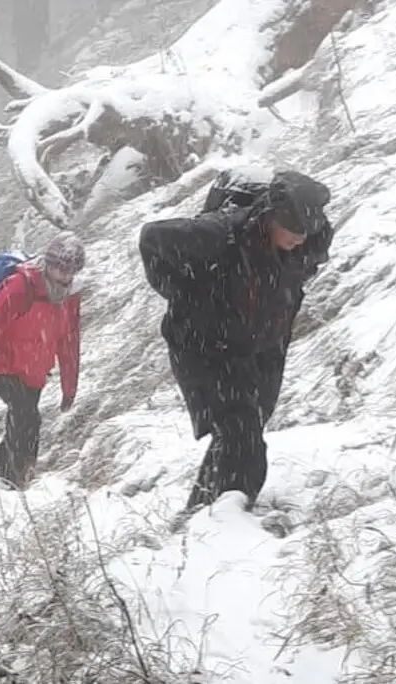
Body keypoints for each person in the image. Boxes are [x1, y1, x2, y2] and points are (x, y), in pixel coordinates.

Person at [138, 169, 333, 515]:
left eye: (306, 232)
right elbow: (152, 238)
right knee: (241, 434)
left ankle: (201, 513)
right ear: (271, 217)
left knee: (246, 427)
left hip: (262, 347)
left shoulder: (311, 241)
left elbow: (291, 277)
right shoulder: (222, 233)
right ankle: (226, 521)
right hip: (204, 347)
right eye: (292, 230)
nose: (299, 239)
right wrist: (186, 297)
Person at [0, 231, 86, 490]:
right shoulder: (22, 286)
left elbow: (69, 342)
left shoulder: (69, 297)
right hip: (3, 363)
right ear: (49, 263)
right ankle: (16, 476)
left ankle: (9, 471)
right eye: (60, 268)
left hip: (35, 369)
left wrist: (69, 386)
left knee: (23, 420)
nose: (65, 275)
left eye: (71, 269)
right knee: (27, 416)